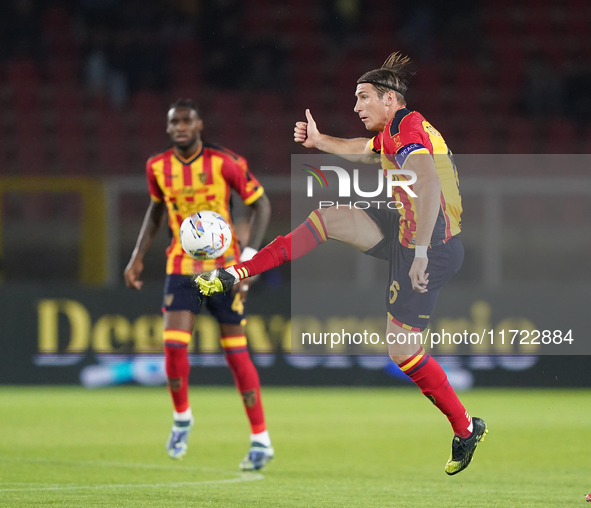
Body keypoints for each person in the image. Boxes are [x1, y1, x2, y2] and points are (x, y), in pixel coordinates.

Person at [197, 53, 487, 475]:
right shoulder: (394, 131)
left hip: (433, 243)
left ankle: (466, 428)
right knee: (329, 216)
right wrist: (320, 142)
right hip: (406, 228)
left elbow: (425, 182)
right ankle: (239, 271)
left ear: (390, 99)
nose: (356, 106)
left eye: (363, 97)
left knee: (402, 350)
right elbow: (364, 153)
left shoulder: (408, 129)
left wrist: (421, 251)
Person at [124, 99, 274, 471]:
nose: (180, 127)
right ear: (168, 127)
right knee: (173, 348)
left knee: (236, 355)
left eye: (186, 121)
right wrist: (137, 255)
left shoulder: (225, 163)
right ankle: (182, 418)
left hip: (225, 269)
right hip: (182, 268)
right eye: (174, 121)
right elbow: (156, 209)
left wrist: (249, 259)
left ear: (199, 124)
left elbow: (262, 204)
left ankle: (260, 439)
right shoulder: (157, 167)